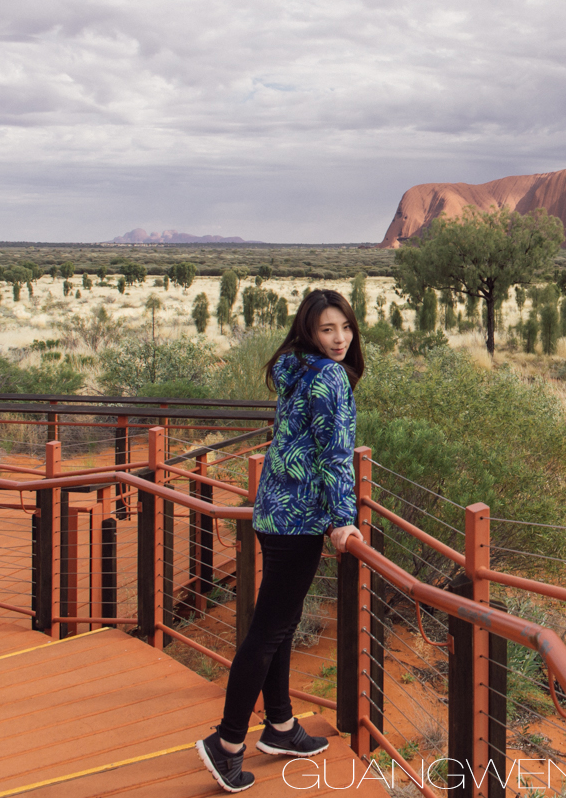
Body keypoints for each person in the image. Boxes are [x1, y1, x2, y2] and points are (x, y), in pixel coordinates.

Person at [197, 289, 365, 793]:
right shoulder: (329, 376)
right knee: (268, 631)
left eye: (345, 328)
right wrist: (343, 518)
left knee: (280, 624)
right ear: (310, 332)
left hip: (272, 512)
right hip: (301, 520)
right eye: (327, 330)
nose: (338, 339)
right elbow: (334, 454)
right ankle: (226, 744)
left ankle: (281, 725)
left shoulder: (297, 369)